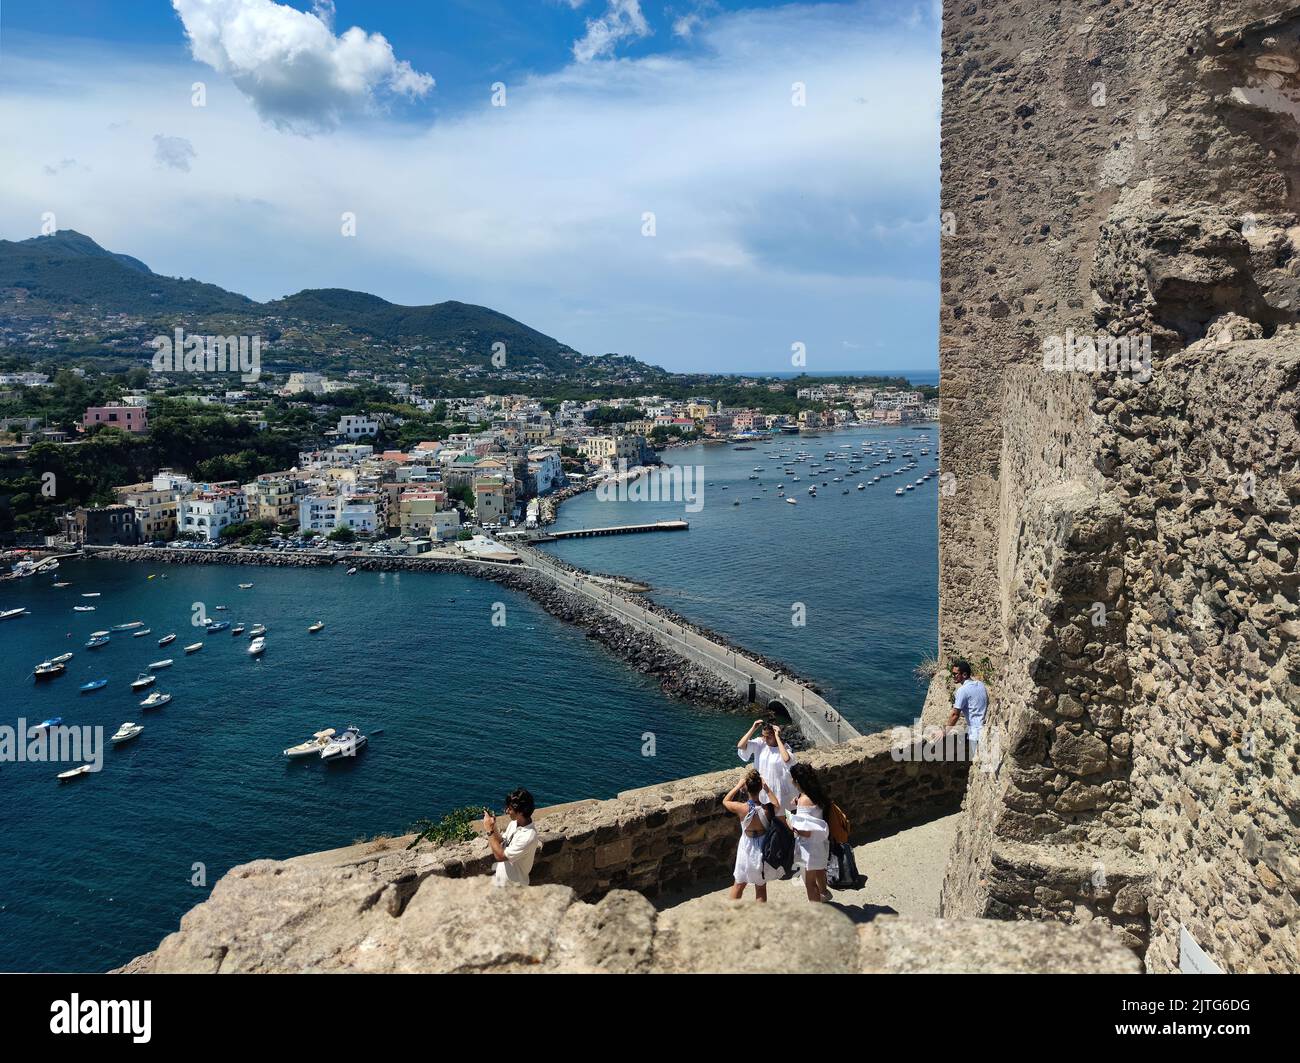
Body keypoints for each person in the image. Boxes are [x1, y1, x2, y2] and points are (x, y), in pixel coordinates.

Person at [722, 770, 777, 901]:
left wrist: (738, 785)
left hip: (747, 846)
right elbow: (777, 805)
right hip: (763, 846)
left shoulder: (741, 808)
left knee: (739, 883)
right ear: (760, 788)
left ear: (746, 788)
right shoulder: (767, 809)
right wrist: (767, 788)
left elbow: (725, 801)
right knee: (761, 886)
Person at [787, 762, 832, 902]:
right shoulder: (816, 793)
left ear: (797, 781)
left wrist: (790, 823)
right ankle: (824, 893)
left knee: (809, 882)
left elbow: (805, 832)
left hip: (809, 848)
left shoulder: (804, 800)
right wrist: (798, 800)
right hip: (820, 844)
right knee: (819, 869)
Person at [482, 787, 539, 887]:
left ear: (521, 812)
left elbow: (500, 856)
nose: (506, 811)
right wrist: (493, 826)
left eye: (510, 809)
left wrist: (489, 831)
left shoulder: (528, 836)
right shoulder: (514, 823)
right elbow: (502, 842)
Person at [737, 718, 797, 811]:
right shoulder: (760, 743)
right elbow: (740, 745)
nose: (765, 739)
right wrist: (753, 728)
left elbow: (786, 759)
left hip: (779, 788)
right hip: (763, 787)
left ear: (775, 735)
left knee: (781, 816)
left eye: (768, 737)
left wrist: (777, 736)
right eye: (763, 736)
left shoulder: (783, 747)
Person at [945, 659, 989, 748]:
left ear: (964, 674)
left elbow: (955, 715)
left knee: (977, 760)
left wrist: (944, 732)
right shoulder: (980, 684)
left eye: (955, 674)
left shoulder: (962, 690)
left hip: (975, 735)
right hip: (986, 732)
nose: (952, 676)